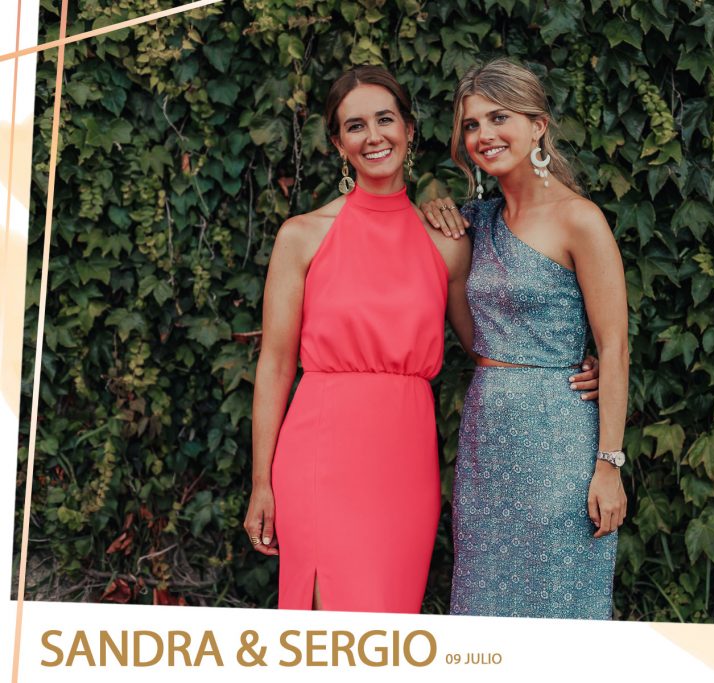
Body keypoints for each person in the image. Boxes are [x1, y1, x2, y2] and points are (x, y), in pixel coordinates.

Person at [242, 65, 600, 613]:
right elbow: (274, 365)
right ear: (339, 144)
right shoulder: (302, 236)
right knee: (324, 635)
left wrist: (565, 368)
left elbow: (489, 345)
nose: (373, 136)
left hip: (406, 462)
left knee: (388, 626)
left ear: (410, 129)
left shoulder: (448, 240)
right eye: (355, 126)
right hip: (317, 456)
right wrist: (261, 482)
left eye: (385, 119)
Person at [421, 58, 630, 619]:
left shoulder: (579, 219)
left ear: (538, 124)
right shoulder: (475, 222)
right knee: (483, 608)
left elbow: (614, 347)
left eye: (499, 117)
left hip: (561, 436)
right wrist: (431, 215)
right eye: (471, 125)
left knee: (563, 607)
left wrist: (609, 464)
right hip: (488, 437)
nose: (484, 135)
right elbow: (476, 340)